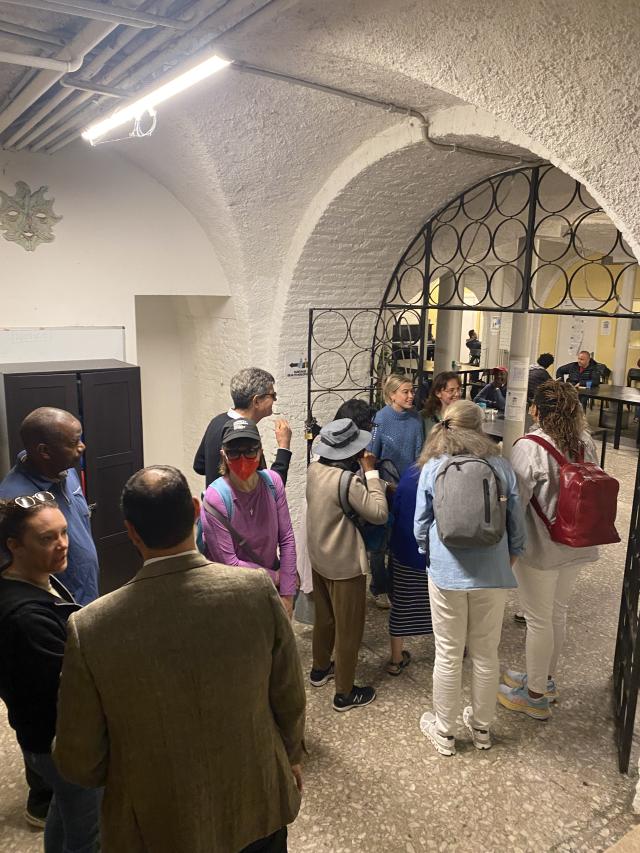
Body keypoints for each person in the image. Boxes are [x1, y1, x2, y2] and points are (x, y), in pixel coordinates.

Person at [54, 466, 305, 853]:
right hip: (258, 802)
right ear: (195, 510)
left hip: (157, 825)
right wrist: (289, 758)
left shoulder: (90, 628)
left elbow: (79, 760)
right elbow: (288, 694)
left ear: (131, 530)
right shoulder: (255, 591)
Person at [0, 406, 100, 827]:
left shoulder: (67, 475)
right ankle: (42, 792)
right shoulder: (12, 500)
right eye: (73, 441)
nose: (82, 447)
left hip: (73, 600)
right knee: (41, 701)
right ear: (42, 450)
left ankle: (54, 791)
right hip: (42, 618)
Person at [414, 400, 526, 755]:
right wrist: (510, 557)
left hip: (447, 572)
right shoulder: (500, 466)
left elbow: (421, 524)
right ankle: (481, 728)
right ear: (481, 428)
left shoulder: (433, 467)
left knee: (447, 652)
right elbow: (516, 522)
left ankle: (445, 731)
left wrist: (428, 555)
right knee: (485, 652)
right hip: (493, 572)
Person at [498, 380, 601, 720]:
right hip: (578, 541)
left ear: (536, 410)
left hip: (541, 546)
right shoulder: (585, 441)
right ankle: (546, 679)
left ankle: (534, 695)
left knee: (538, 620)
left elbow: (516, 501)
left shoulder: (531, 446)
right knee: (558, 612)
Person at [306, 419, 388, 711]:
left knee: (325, 618)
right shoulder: (348, 481)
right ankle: (344, 692)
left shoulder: (314, 470)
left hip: (319, 556)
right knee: (349, 629)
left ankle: (319, 669)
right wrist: (372, 473)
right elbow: (378, 512)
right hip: (344, 564)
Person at [200, 419, 297, 619]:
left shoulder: (272, 482)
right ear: (224, 456)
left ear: (260, 452)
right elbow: (230, 563)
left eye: (249, 451)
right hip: (234, 591)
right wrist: (277, 578)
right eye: (234, 452)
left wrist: (287, 595)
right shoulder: (216, 497)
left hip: (269, 589)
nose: (242, 458)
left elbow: (286, 537)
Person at [193, 367, 292, 488]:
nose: (275, 399)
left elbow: (199, 466)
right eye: (273, 395)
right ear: (256, 401)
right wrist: (284, 446)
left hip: (215, 504)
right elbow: (271, 489)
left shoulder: (217, 421)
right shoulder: (244, 436)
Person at [386, 463, 431, 676]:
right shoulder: (455, 474)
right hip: (440, 556)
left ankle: (395, 660)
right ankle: (456, 650)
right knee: (449, 606)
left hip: (406, 549)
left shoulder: (411, 472)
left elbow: (395, 510)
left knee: (402, 603)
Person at [370, 374, 424, 476]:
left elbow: (419, 454)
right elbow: (371, 456)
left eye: (412, 391)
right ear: (392, 395)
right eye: (405, 392)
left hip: (411, 481)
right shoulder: (380, 419)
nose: (411, 396)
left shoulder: (416, 418)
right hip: (386, 484)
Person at [421, 372, 462, 438]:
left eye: (458, 389)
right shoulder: (424, 417)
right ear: (438, 393)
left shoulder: (464, 415)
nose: (457, 394)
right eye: (451, 390)